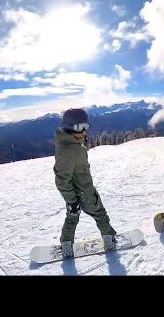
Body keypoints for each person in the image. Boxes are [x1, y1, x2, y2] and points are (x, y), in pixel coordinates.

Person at [53, 108, 117, 258]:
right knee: (100, 213)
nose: (82, 131)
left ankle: (66, 245)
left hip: (77, 192)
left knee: (72, 217)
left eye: (85, 126)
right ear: (68, 128)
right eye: (78, 127)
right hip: (85, 192)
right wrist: (71, 200)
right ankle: (109, 239)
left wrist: (72, 202)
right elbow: (61, 179)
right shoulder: (69, 150)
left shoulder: (72, 142)